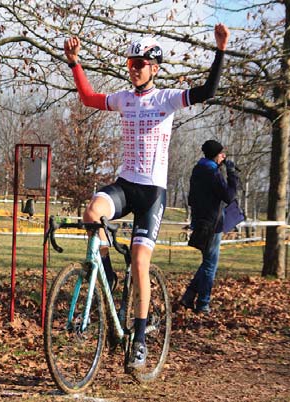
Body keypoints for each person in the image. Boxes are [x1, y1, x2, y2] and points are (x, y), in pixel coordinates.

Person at [64, 24, 230, 368]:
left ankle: (139, 339)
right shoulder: (124, 99)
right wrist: (74, 63)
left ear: (154, 67)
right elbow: (87, 98)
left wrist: (220, 51)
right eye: (130, 63)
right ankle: (106, 272)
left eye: (141, 63)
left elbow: (208, 91)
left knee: (140, 263)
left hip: (152, 192)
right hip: (126, 184)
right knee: (92, 213)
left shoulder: (166, 98)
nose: (134, 68)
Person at [180, 140, 239, 314]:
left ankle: (189, 296)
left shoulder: (198, 169)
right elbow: (229, 195)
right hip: (212, 224)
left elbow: (193, 198)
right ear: (215, 154)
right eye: (221, 153)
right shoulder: (212, 172)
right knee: (210, 265)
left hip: (201, 221)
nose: (224, 156)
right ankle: (203, 304)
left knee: (207, 262)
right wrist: (232, 173)